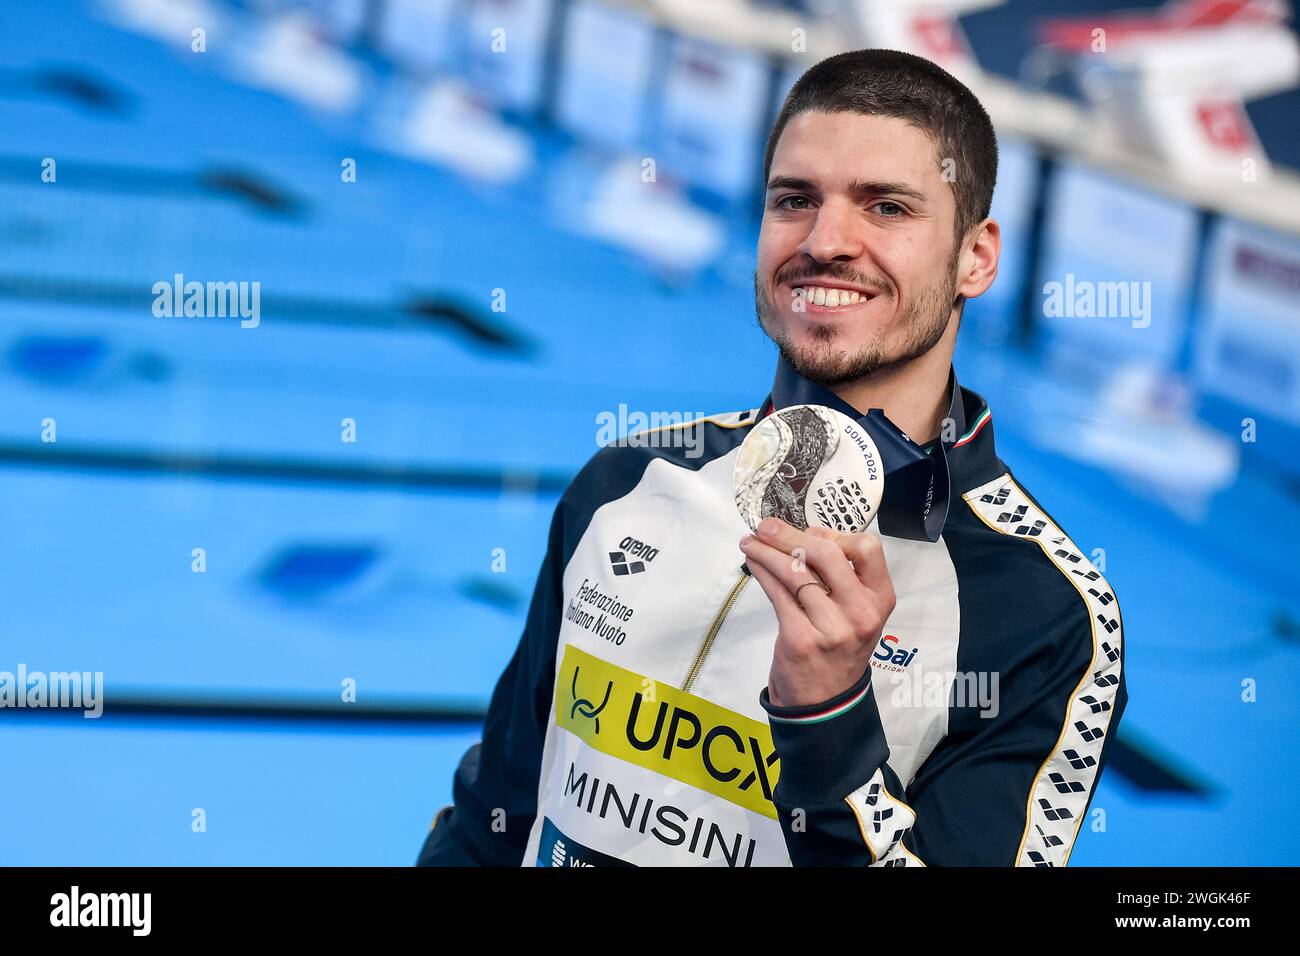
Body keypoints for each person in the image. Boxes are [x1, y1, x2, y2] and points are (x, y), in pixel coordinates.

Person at [416, 48, 1127, 867]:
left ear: (977, 256)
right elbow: (491, 817)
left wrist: (829, 720)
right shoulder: (628, 482)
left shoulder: (1042, 607)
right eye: (795, 200)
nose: (826, 242)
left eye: (887, 208)